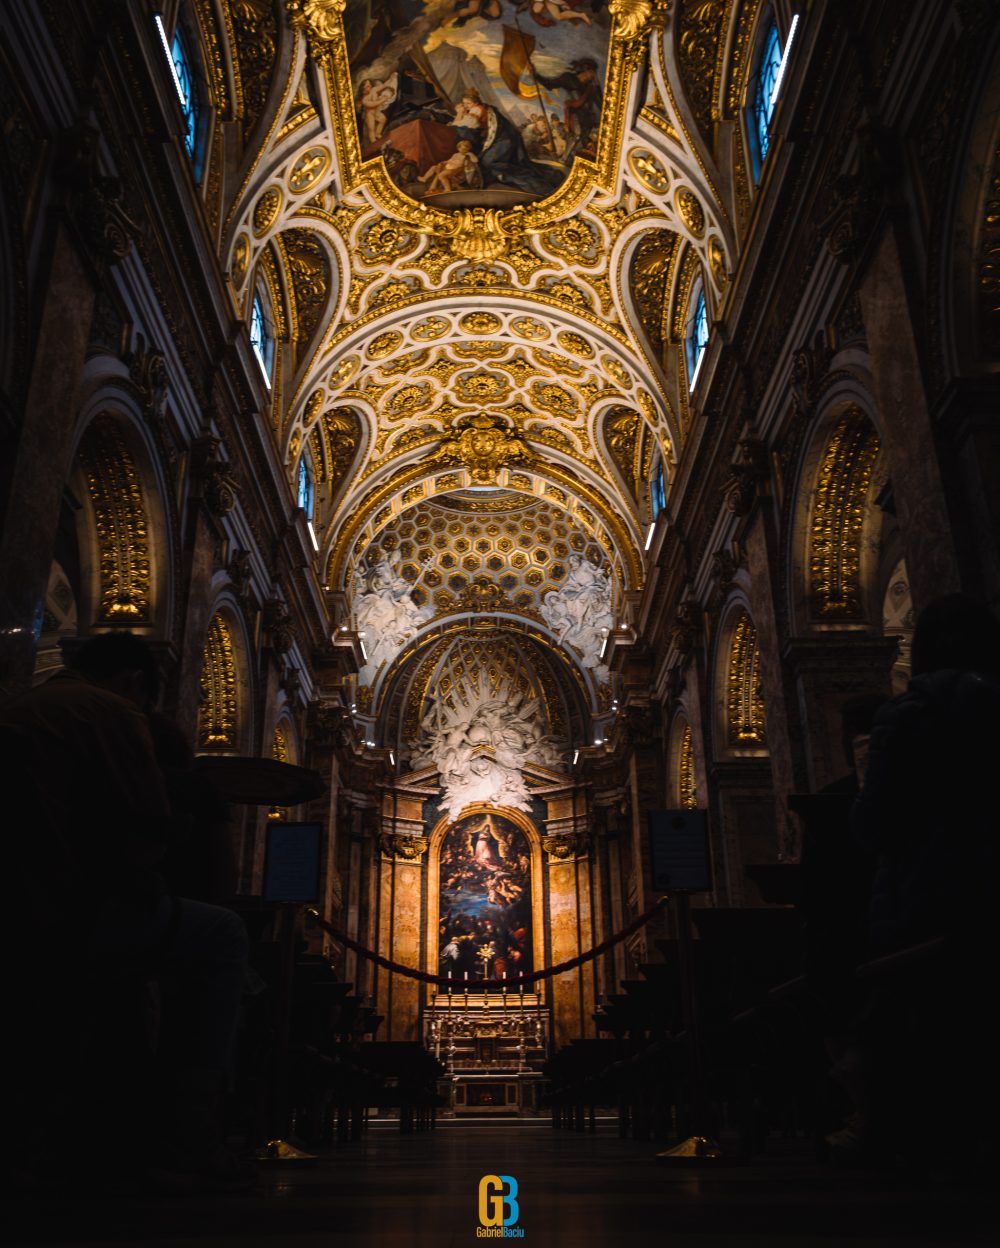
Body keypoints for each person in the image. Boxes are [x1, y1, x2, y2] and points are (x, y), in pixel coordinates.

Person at [0, 632, 251, 1190]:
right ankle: (190, 1139)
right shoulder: (111, 712)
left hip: (22, 906)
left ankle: (95, 1125)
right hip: (70, 911)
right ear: (135, 683)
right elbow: (147, 833)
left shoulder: (26, 703)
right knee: (224, 933)